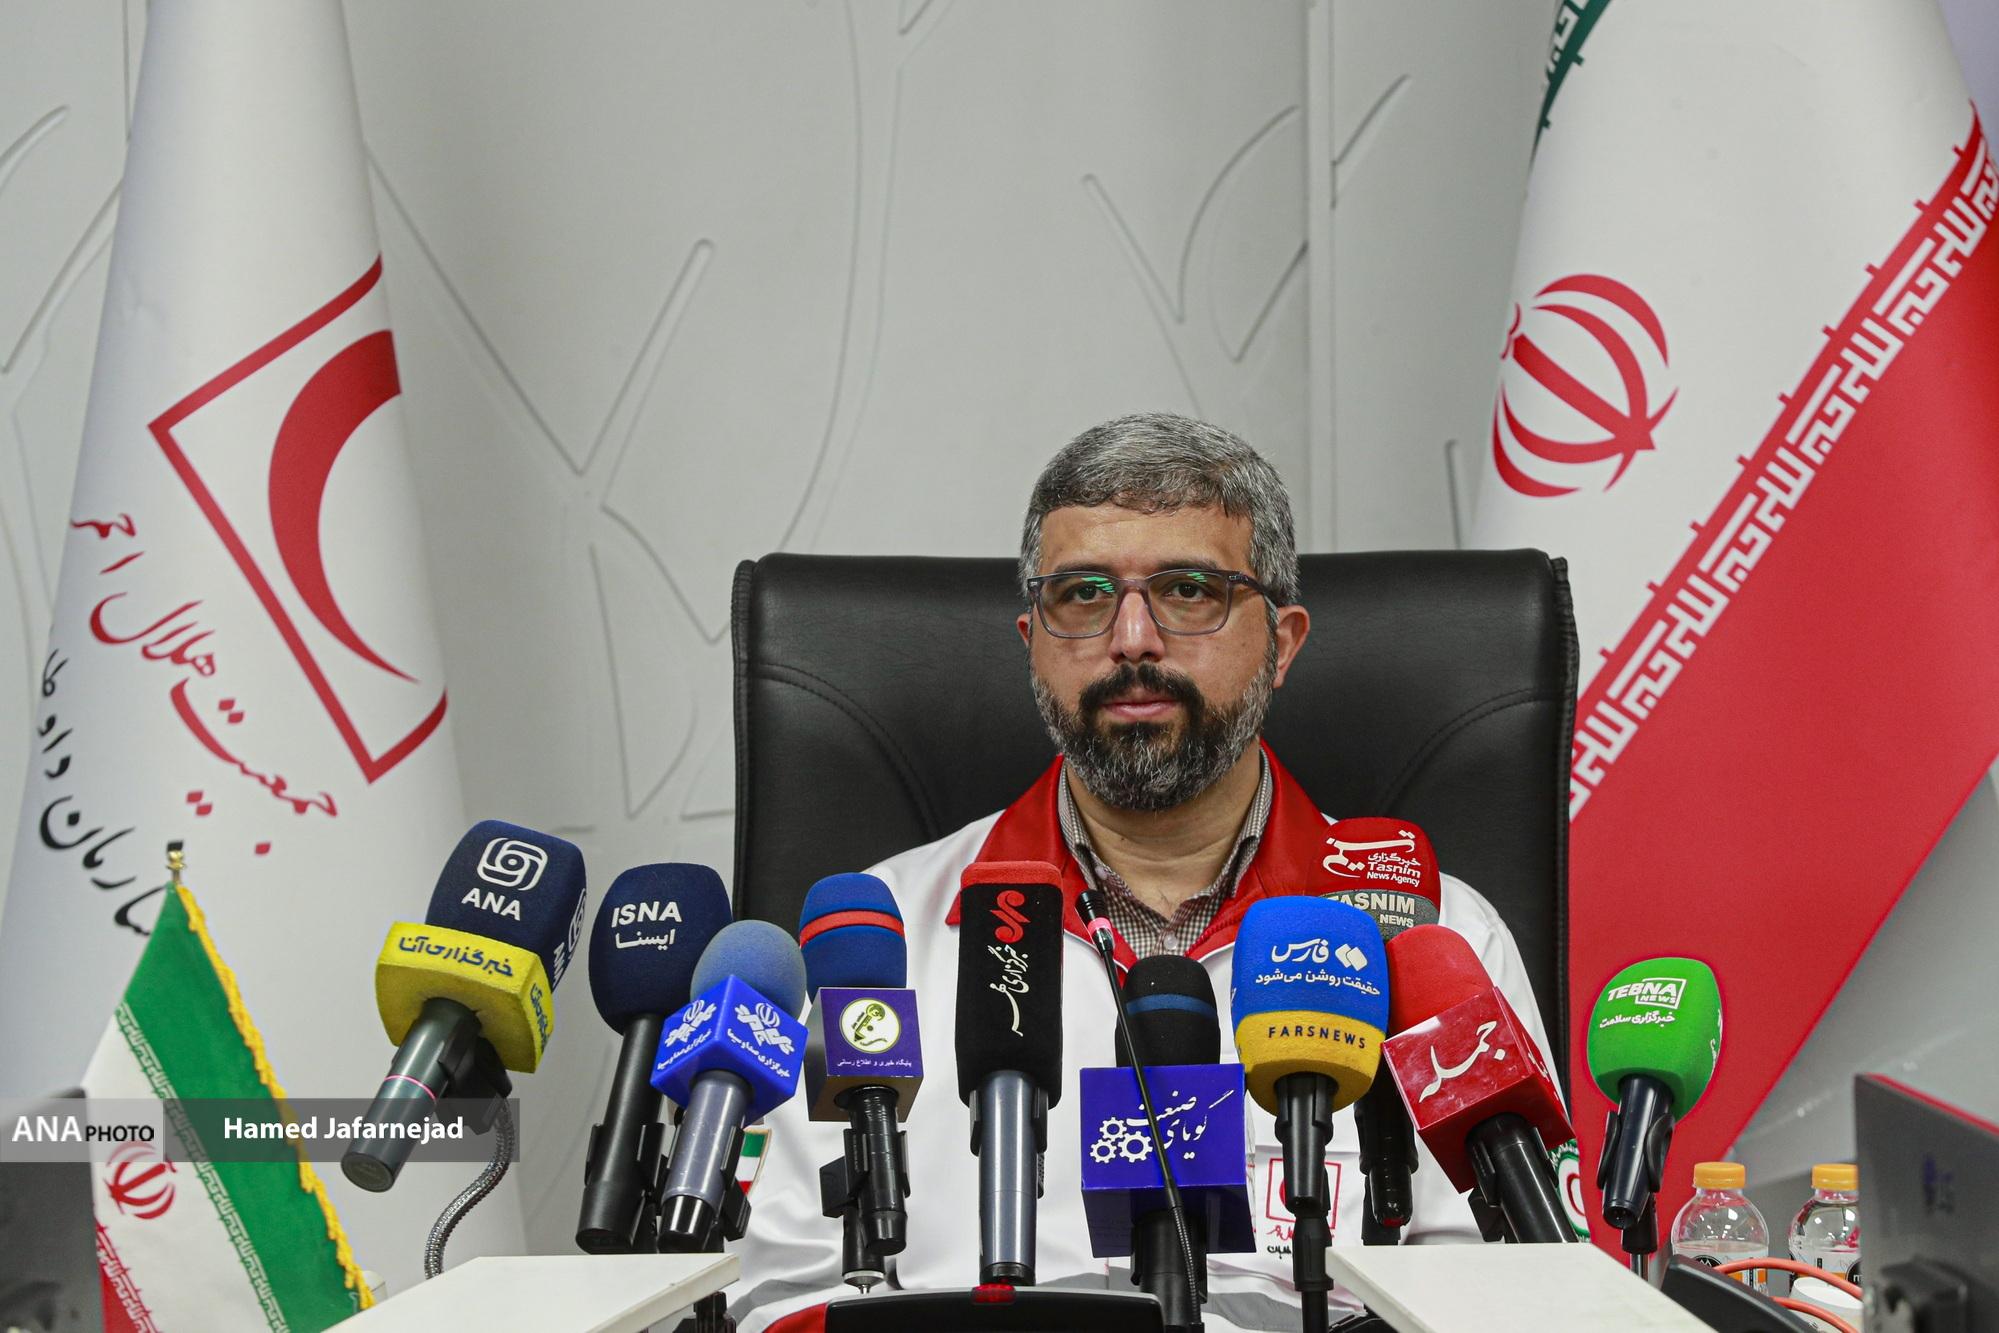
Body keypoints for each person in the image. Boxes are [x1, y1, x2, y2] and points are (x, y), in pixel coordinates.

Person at [732, 412, 1558, 1332]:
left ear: (1282, 642)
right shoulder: (875, 940)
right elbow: (774, 1295)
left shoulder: (1432, 937)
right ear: (1032, 640)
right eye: (1083, 594)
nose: (1131, 638)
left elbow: (1519, 1295)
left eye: (1188, 590)